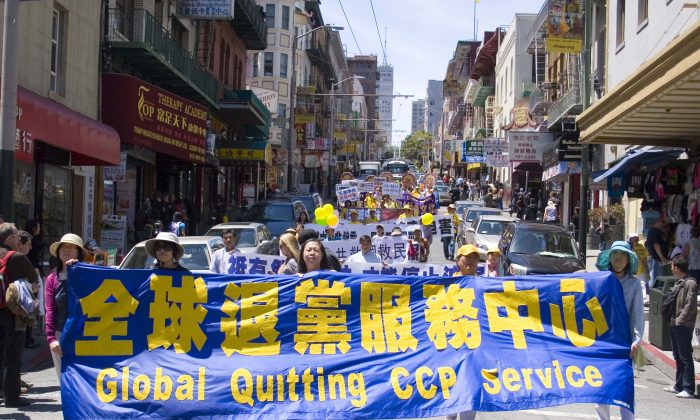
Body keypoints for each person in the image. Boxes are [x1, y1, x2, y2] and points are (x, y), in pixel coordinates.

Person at [594, 241, 644, 419]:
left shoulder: (635, 284)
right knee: (602, 386)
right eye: (615, 253)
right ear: (610, 257)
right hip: (603, 340)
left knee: (624, 387)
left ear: (628, 260)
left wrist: (636, 340)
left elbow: (637, 314)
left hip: (623, 342)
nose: (618, 257)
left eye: (622, 255)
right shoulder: (600, 280)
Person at [0, 223, 38, 407]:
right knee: (13, 357)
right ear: (9, 239)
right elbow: (33, 278)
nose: (19, 238)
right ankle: (12, 397)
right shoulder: (16, 257)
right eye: (16, 236)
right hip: (13, 313)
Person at [44, 233, 89, 386]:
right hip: (61, 334)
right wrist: (51, 339)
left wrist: (77, 270)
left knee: (84, 382)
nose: (66, 250)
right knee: (65, 381)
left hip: (85, 334)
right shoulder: (52, 279)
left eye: (71, 247)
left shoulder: (87, 274)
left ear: (79, 252)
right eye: (63, 247)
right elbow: (50, 310)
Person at [663, 256, 697, 399]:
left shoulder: (691, 283)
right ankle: (679, 385)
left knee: (685, 357)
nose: (671, 268)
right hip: (674, 323)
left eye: (672, 266)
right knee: (677, 355)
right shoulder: (679, 283)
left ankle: (688, 388)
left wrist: (680, 319)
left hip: (683, 325)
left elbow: (690, 304)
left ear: (677, 267)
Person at [646, 218, 669, 288]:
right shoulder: (654, 231)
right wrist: (662, 258)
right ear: (659, 222)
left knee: (655, 279)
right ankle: (654, 296)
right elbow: (656, 245)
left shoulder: (654, 231)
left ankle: (654, 295)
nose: (663, 226)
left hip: (655, 259)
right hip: (656, 259)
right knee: (657, 280)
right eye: (663, 223)